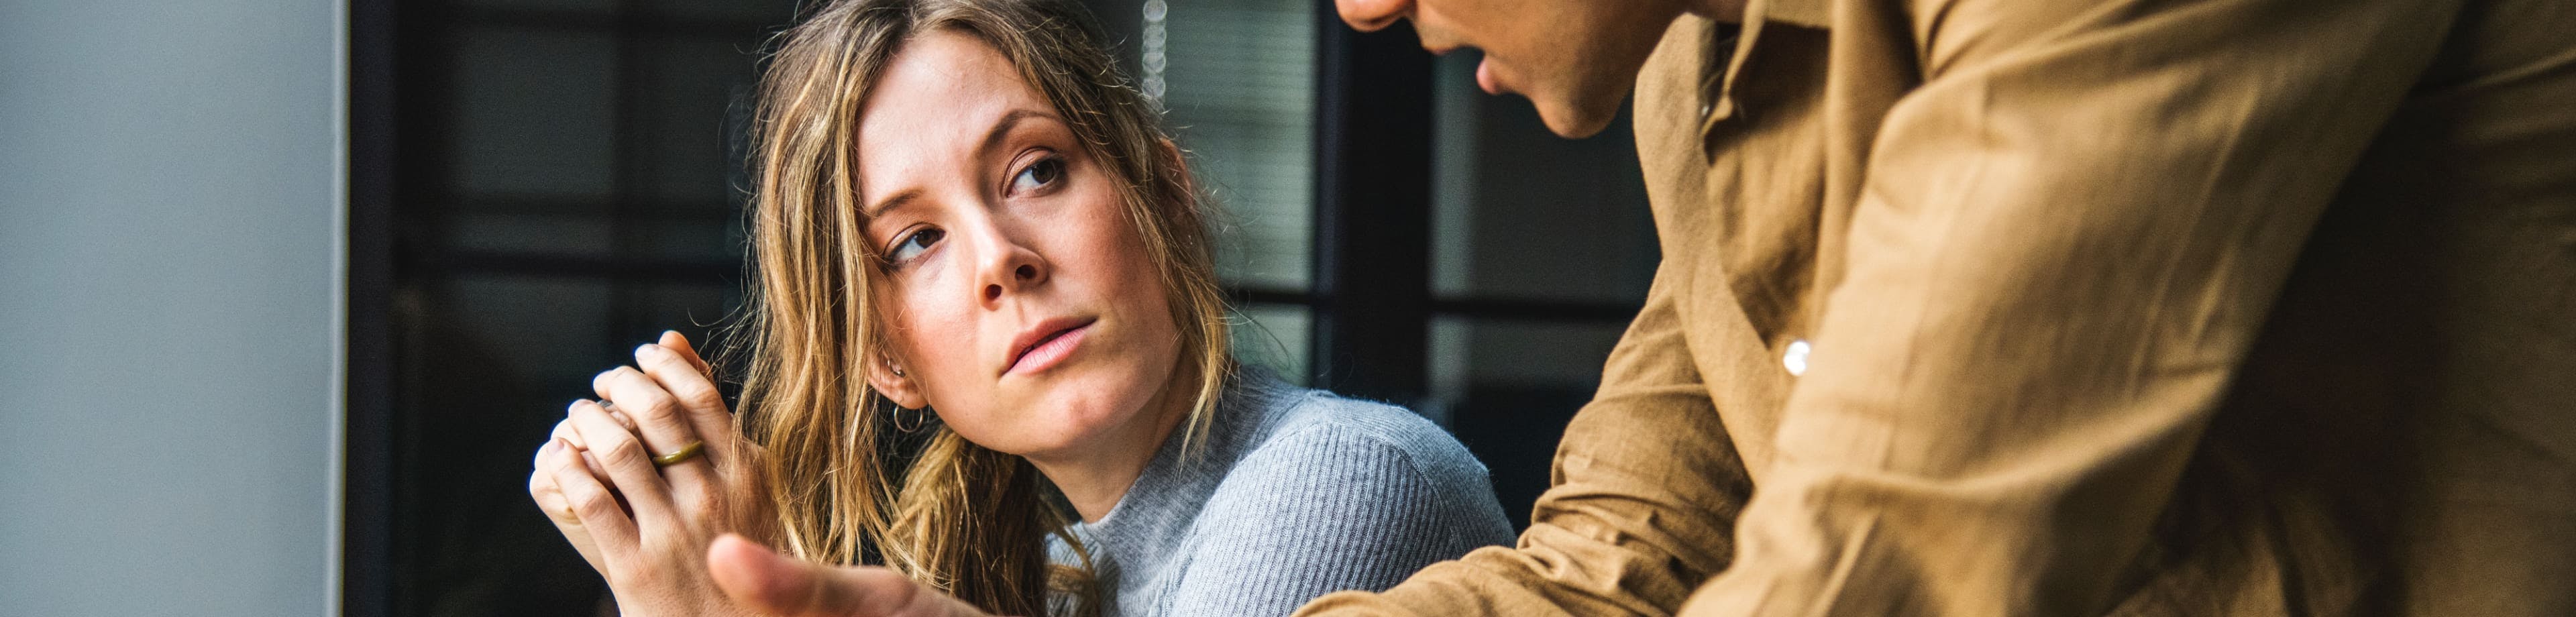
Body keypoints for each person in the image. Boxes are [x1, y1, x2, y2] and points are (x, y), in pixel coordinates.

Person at [701, 0, 2576, 614]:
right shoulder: (1707, 71)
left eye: (1035, 172)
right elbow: (1611, 562)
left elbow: (1892, 558)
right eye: (908, 245)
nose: (1358, 8)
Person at [522, 0, 1515, 615]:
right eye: (915, 242)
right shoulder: (1054, 584)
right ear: (888, 363)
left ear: (1163, 194)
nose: (1001, 260)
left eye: (1036, 171)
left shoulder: (1342, 480)